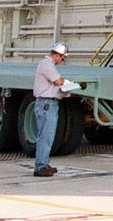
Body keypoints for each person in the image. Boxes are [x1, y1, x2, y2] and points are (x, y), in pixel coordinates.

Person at [31, 42, 68, 178]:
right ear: (57, 55)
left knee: (48, 136)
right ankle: (40, 166)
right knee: (45, 136)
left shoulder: (48, 65)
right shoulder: (46, 64)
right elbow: (58, 81)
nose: (62, 60)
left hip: (50, 104)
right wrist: (69, 83)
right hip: (46, 104)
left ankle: (43, 164)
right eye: (62, 57)